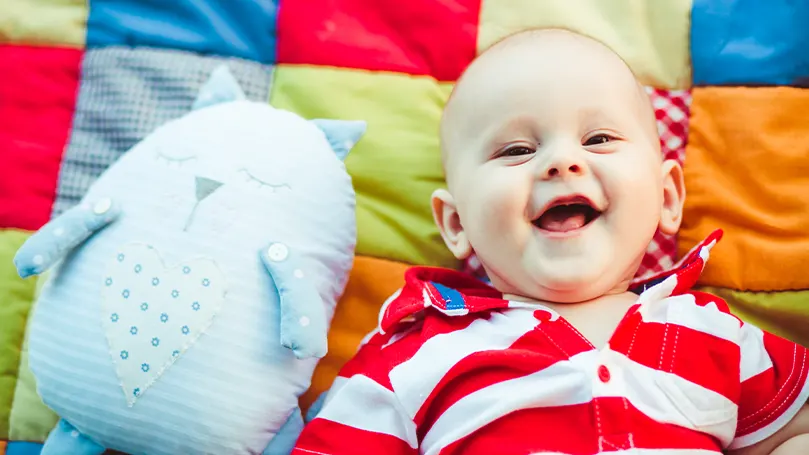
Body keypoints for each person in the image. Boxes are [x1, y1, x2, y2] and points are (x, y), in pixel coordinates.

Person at [291, 28, 809, 455]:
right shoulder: (414, 353)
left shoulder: (712, 334)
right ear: (456, 224)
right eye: (516, 149)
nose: (562, 162)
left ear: (668, 197)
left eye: (598, 139)